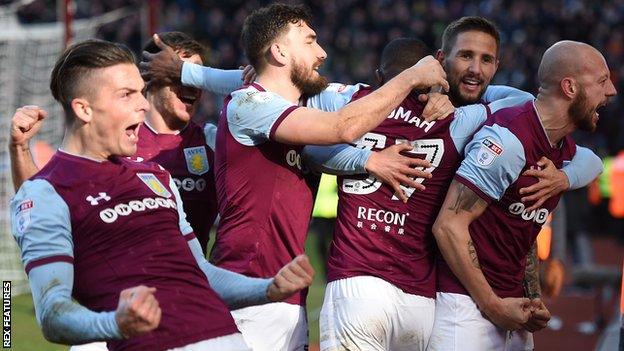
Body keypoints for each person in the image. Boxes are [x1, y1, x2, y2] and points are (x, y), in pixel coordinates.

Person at [142, 4, 448, 350]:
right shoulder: (248, 105)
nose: (322, 52)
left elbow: (337, 131)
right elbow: (342, 127)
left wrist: (433, 99)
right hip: (249, 290)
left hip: (291, 297)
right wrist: (410, 77)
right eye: (310, 41)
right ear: (280, 51)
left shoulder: (306, 107)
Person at [303, 34, 603, 350]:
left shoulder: (347, 100)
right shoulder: (458, 121)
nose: (475, 68)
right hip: (420, 299)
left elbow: (309, 146)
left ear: (379, 77)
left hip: (358, 285)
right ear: (438, 68)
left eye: (486, 60)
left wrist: (367, 158)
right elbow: (533, 105)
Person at [10, 39, 314, 351]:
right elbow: (52, 313)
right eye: (127, 95)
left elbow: (201, 272)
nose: (142, 104)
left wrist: (267, 288)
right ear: (84, 109)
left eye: (140, 93)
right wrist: (113, 324)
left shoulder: (156, 177)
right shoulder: (45, 191)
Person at [430, 40, 617, 350]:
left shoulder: (559, 147)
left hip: (512, 307)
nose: (611, 90)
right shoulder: (509, 140)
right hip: (465, 309)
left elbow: (592, 163)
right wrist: (492, 304)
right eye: (602, 81)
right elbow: (448, 226)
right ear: (569, 88)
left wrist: (563, 178)